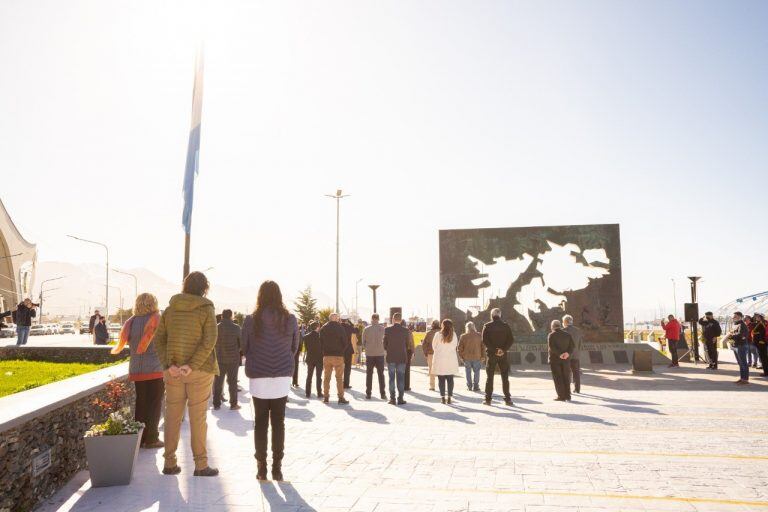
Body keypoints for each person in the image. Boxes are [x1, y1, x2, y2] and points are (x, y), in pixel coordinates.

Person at [153, 271, 219, 477]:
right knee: (197, 418)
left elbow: (159, 339)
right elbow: (210, 340)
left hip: (173, 372)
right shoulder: (206, 308)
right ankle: (200, 465)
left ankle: (169, 463)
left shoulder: (171, 309)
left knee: (172, 417)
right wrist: (192, 365)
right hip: (199, 372)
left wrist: (167, 364)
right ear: (204, 288)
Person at [241, 281, 299, 481]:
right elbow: (294, 346)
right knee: (279, 422)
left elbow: (244, 346)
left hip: (259, 375)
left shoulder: (251, 319)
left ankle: (261, 468)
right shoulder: (290, 319)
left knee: (260, 422)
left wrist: (258, 356)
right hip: (282, 375)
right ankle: (277, 468)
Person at [112, 293, 164, 448]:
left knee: (141, 403)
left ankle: (140, 438)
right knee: (154, 404)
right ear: (153, 303)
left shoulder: (131, 321)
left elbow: (128, 342)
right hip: (155, 368)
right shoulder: (157, 319)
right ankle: (152, 438)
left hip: (137, 369)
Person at [482, 308, 514, 406]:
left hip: (491, 355)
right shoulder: (506, 326)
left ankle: (488, 399)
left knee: (490, 377)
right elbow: (511, 340)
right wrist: (503, 350)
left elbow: (485, 341)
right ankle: (508, 399)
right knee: (505, 377)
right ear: (500, 315)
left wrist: (495, 350)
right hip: (503, 355)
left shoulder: (487, 326)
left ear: (492, 315)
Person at [213, 309, 242, 411]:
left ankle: (216, 404)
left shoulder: (216, 327)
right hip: (233, 359)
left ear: (222, 316)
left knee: (218, 382)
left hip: (219, 359)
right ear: (231, 316)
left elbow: (212, 343)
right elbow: (241, 343)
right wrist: (237, 350)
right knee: (233, 382)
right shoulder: (236, 327)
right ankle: (233, 404)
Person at [319, 313, 349, 404]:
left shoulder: (323, 328)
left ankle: (326, 397)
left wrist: (324, 351)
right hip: (338, 356)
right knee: (339, 378)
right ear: (336, 319)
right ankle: (340, 397)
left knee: (326, 377)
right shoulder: (340, 328)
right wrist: (341, 351)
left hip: (327, 355)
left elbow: (320, 341)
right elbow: (345, 341)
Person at [383, 312, 409, 405]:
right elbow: (407, 344)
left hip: (391, 357)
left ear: (393, 319)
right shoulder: (405, 330)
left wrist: (388, 349)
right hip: (402, 357)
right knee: (401, 378)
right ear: (401, 320)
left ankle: (392, 399)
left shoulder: (387, 330)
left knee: (391, 378)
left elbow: (384, 344)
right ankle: (400, 398)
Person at [432, 319, 459, 404]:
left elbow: (434, 346)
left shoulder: (438, 334)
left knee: (441, 379)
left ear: (442, 325)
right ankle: (450, 397)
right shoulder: (454, 335)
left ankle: (443, 398)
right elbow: (455, 346)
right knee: (450, 379)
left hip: (440, 360)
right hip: (450, 360)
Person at [548, 319, 574, 401]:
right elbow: (572, 346)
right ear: (560, 325)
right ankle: (568, 395)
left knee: (558, 378)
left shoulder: (551, 335)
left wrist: (560, 354)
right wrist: (567, 353)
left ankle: (561, 396)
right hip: (566, 359)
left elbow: (552, 347)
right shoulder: (567, 335)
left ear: (552, 326)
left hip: (555, 360)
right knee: (566, 377)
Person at [362, 313, 387, 399]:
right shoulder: (383, 329)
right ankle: (382, 393)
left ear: (371, 319)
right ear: (378, 319)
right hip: (380, 354)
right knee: (381, 375)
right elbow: (386, 341)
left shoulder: (366, 329)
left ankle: (368, 393)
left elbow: (363, 342)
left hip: (370, 354)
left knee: (369, 374)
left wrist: (368, 348)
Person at [725, 312, 750, 385]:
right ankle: (742, 378)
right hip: (736, 345)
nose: (733, 318)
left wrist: (730, 336)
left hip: (741, 346)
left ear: (739, 317)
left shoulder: (742, 325)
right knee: (740, 363)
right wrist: (730, 335)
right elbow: (735, 333)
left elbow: (741, 335)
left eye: (734, 317)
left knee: (743, 363)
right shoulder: (736, 324)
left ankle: (745, 380)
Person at [457, 322, 483, 391]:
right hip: (477, 356)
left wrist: (461, 357)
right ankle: (476, 386)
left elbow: (459, 348)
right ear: (474, 327)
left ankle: (469, 386)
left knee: (468, 372)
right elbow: (483, 346)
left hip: (467, 357)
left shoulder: (463, 336)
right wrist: (483, 356)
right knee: (477, 372)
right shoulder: (479, 335)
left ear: (467, 328)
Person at [562, 315, 583, 393]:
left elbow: (562, 344)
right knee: (576, 373)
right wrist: (577, 352)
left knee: (566, 373)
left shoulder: (563, 331)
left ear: (564, 322)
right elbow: (580, 344)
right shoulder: (578, 331)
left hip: (566, 356)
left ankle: (567, 389)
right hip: (576, 355)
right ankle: (577, 389)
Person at [303, 321, 323, 398]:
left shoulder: (306, 336)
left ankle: (307, 393)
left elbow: (307, 348)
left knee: (309, 376)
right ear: (317, 327)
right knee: (319, 376)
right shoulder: (320, 336)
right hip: (319, 358)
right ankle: (319, 392)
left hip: (310, 358)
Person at [422, 320, 440, 391]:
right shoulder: (442, 333)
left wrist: (425, 353)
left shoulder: (429, 333)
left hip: (431, 354)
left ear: (432, 325)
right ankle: (442, 385)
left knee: (431, 370)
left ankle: (432, 386)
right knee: (441, 370)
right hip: (440, 354)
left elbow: (424, 344)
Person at [341, 317, 356, 389]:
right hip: (348, 350)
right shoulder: (349, 327)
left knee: (339, 367)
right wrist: (350, 323)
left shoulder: (338, 326)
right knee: (347, 367)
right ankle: (346, 384)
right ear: (346, 321)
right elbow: (356, 330)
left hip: (340, 350)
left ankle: (340, 383)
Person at [402, 319, 415, 391]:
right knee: (407, 369)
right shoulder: (408, 331)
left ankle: (400, 385)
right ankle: (406, 386)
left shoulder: (398, 331)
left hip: (399, 351)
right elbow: (411, 342)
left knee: (399, 369)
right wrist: (413, 352)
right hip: (407, 351)